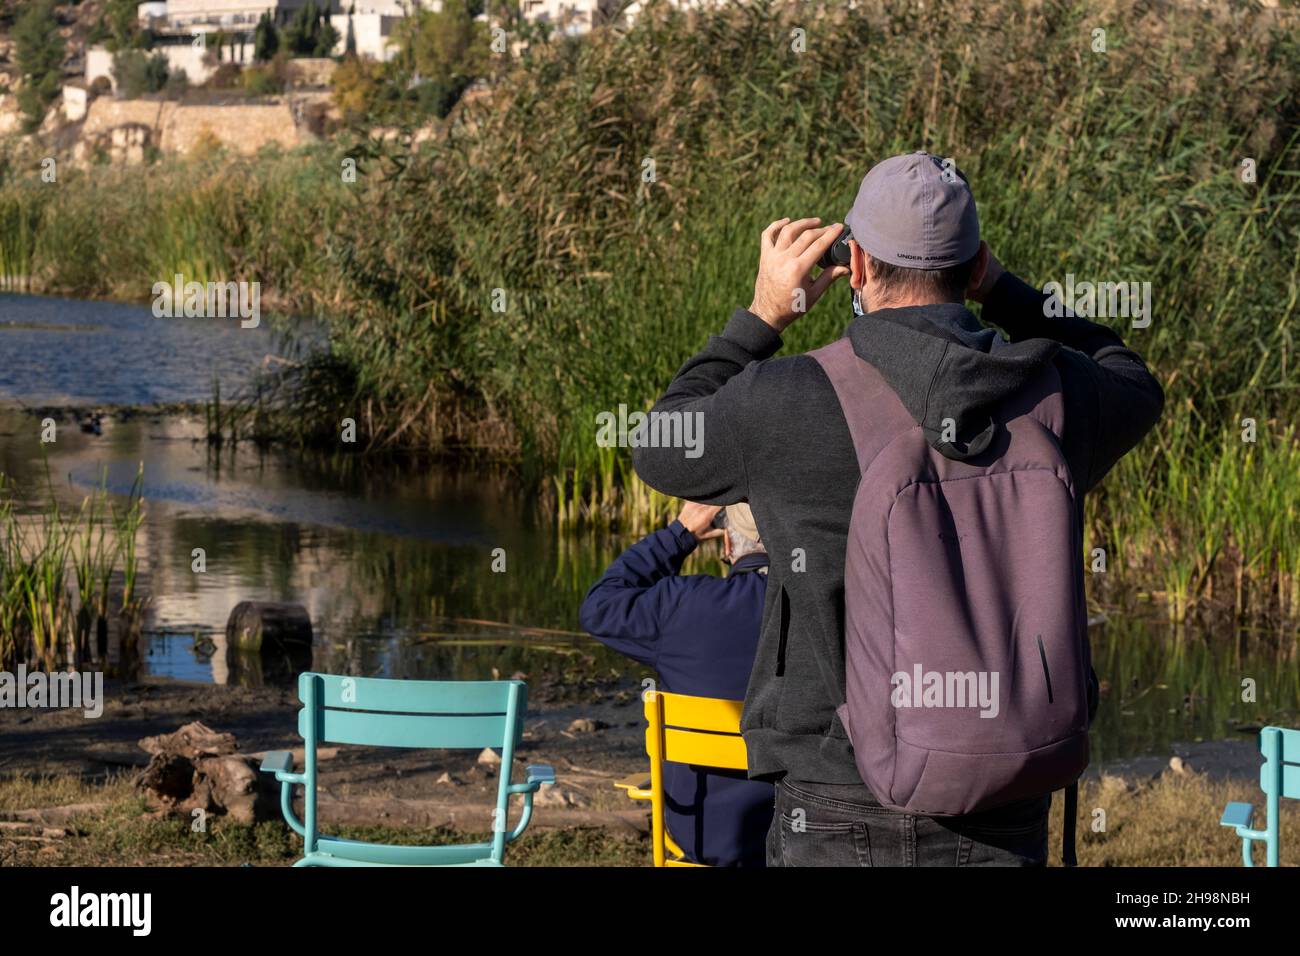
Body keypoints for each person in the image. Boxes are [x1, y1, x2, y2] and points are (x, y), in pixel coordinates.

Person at [630, 151, 1164, 866]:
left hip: (831, 790)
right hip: (1004, 793)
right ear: (972, 265)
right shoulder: (1054, 390)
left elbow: (659, 446)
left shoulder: (786, 397)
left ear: (856, 267)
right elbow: (1130, 375)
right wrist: (1006, 291)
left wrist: (762, 315)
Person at [578, 501, 773, 866]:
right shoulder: (826, 607)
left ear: (728, 545)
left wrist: (678, 534)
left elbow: (598, 608)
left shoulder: (681, 604)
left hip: (702, 832)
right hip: (805, 832)